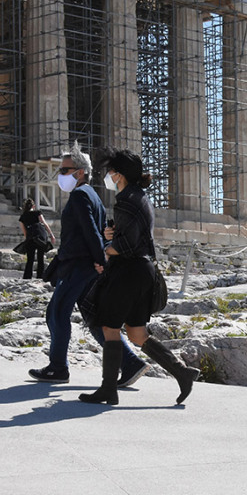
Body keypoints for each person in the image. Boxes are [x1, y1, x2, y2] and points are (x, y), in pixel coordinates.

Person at [78, 148, 199, 406]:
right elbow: (132, 236)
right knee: (136, 333)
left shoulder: (126, 200)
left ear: (119, 174)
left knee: (109, 327)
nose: (108, 176)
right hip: (142, 271)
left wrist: (106, 247)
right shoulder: (138, 196)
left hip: (129, 270)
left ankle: (108, 390)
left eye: (110, 171)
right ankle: (182, 372)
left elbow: (128, 246)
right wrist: (114, 236)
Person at [28, 143, 148, 385]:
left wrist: (99, 260)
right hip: (86, 266)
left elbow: (92, 232)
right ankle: (131, 363)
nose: (60, 175)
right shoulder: (92, 195)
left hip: (79, 266)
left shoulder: (80, 195)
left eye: (64, 170)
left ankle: (58, 367)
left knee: (57, 312)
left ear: (80, 172)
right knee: (95, 321)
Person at [18, 199, 56, 279]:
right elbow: (44, 223)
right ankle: (40, 276)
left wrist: (27, 239)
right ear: (33, 206)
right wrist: (51, 235)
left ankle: (27, 277)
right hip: (40, 238)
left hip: (30, 238)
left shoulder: (22, 217)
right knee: (40, 258)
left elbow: (24, 231)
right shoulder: (37, 213)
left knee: (30, 259)